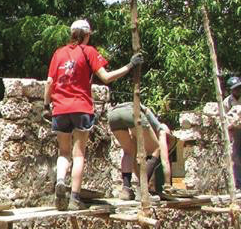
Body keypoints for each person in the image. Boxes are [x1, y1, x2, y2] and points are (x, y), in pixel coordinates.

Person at [44, 19, 142, 211]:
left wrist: (47, 105)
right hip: (81, 107)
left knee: (64, 152)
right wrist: (130, 66)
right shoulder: (88, 51)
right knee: (78, 153)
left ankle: (60, 180)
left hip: (60, 108)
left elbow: (49, 82)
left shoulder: (59, 53)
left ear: (71, 34)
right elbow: (106, 77)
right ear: (87, 35)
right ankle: (74, 197)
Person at [107, 101, 173, 200]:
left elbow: (133, 160)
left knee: (128, 151)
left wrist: (141, 179)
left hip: (113, 114)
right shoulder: (161, 131)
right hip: (131, 111)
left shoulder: (140, 131)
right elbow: (165, 161)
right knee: (156, 148)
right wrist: (168, 184)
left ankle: (126, 189)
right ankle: (142, 191)